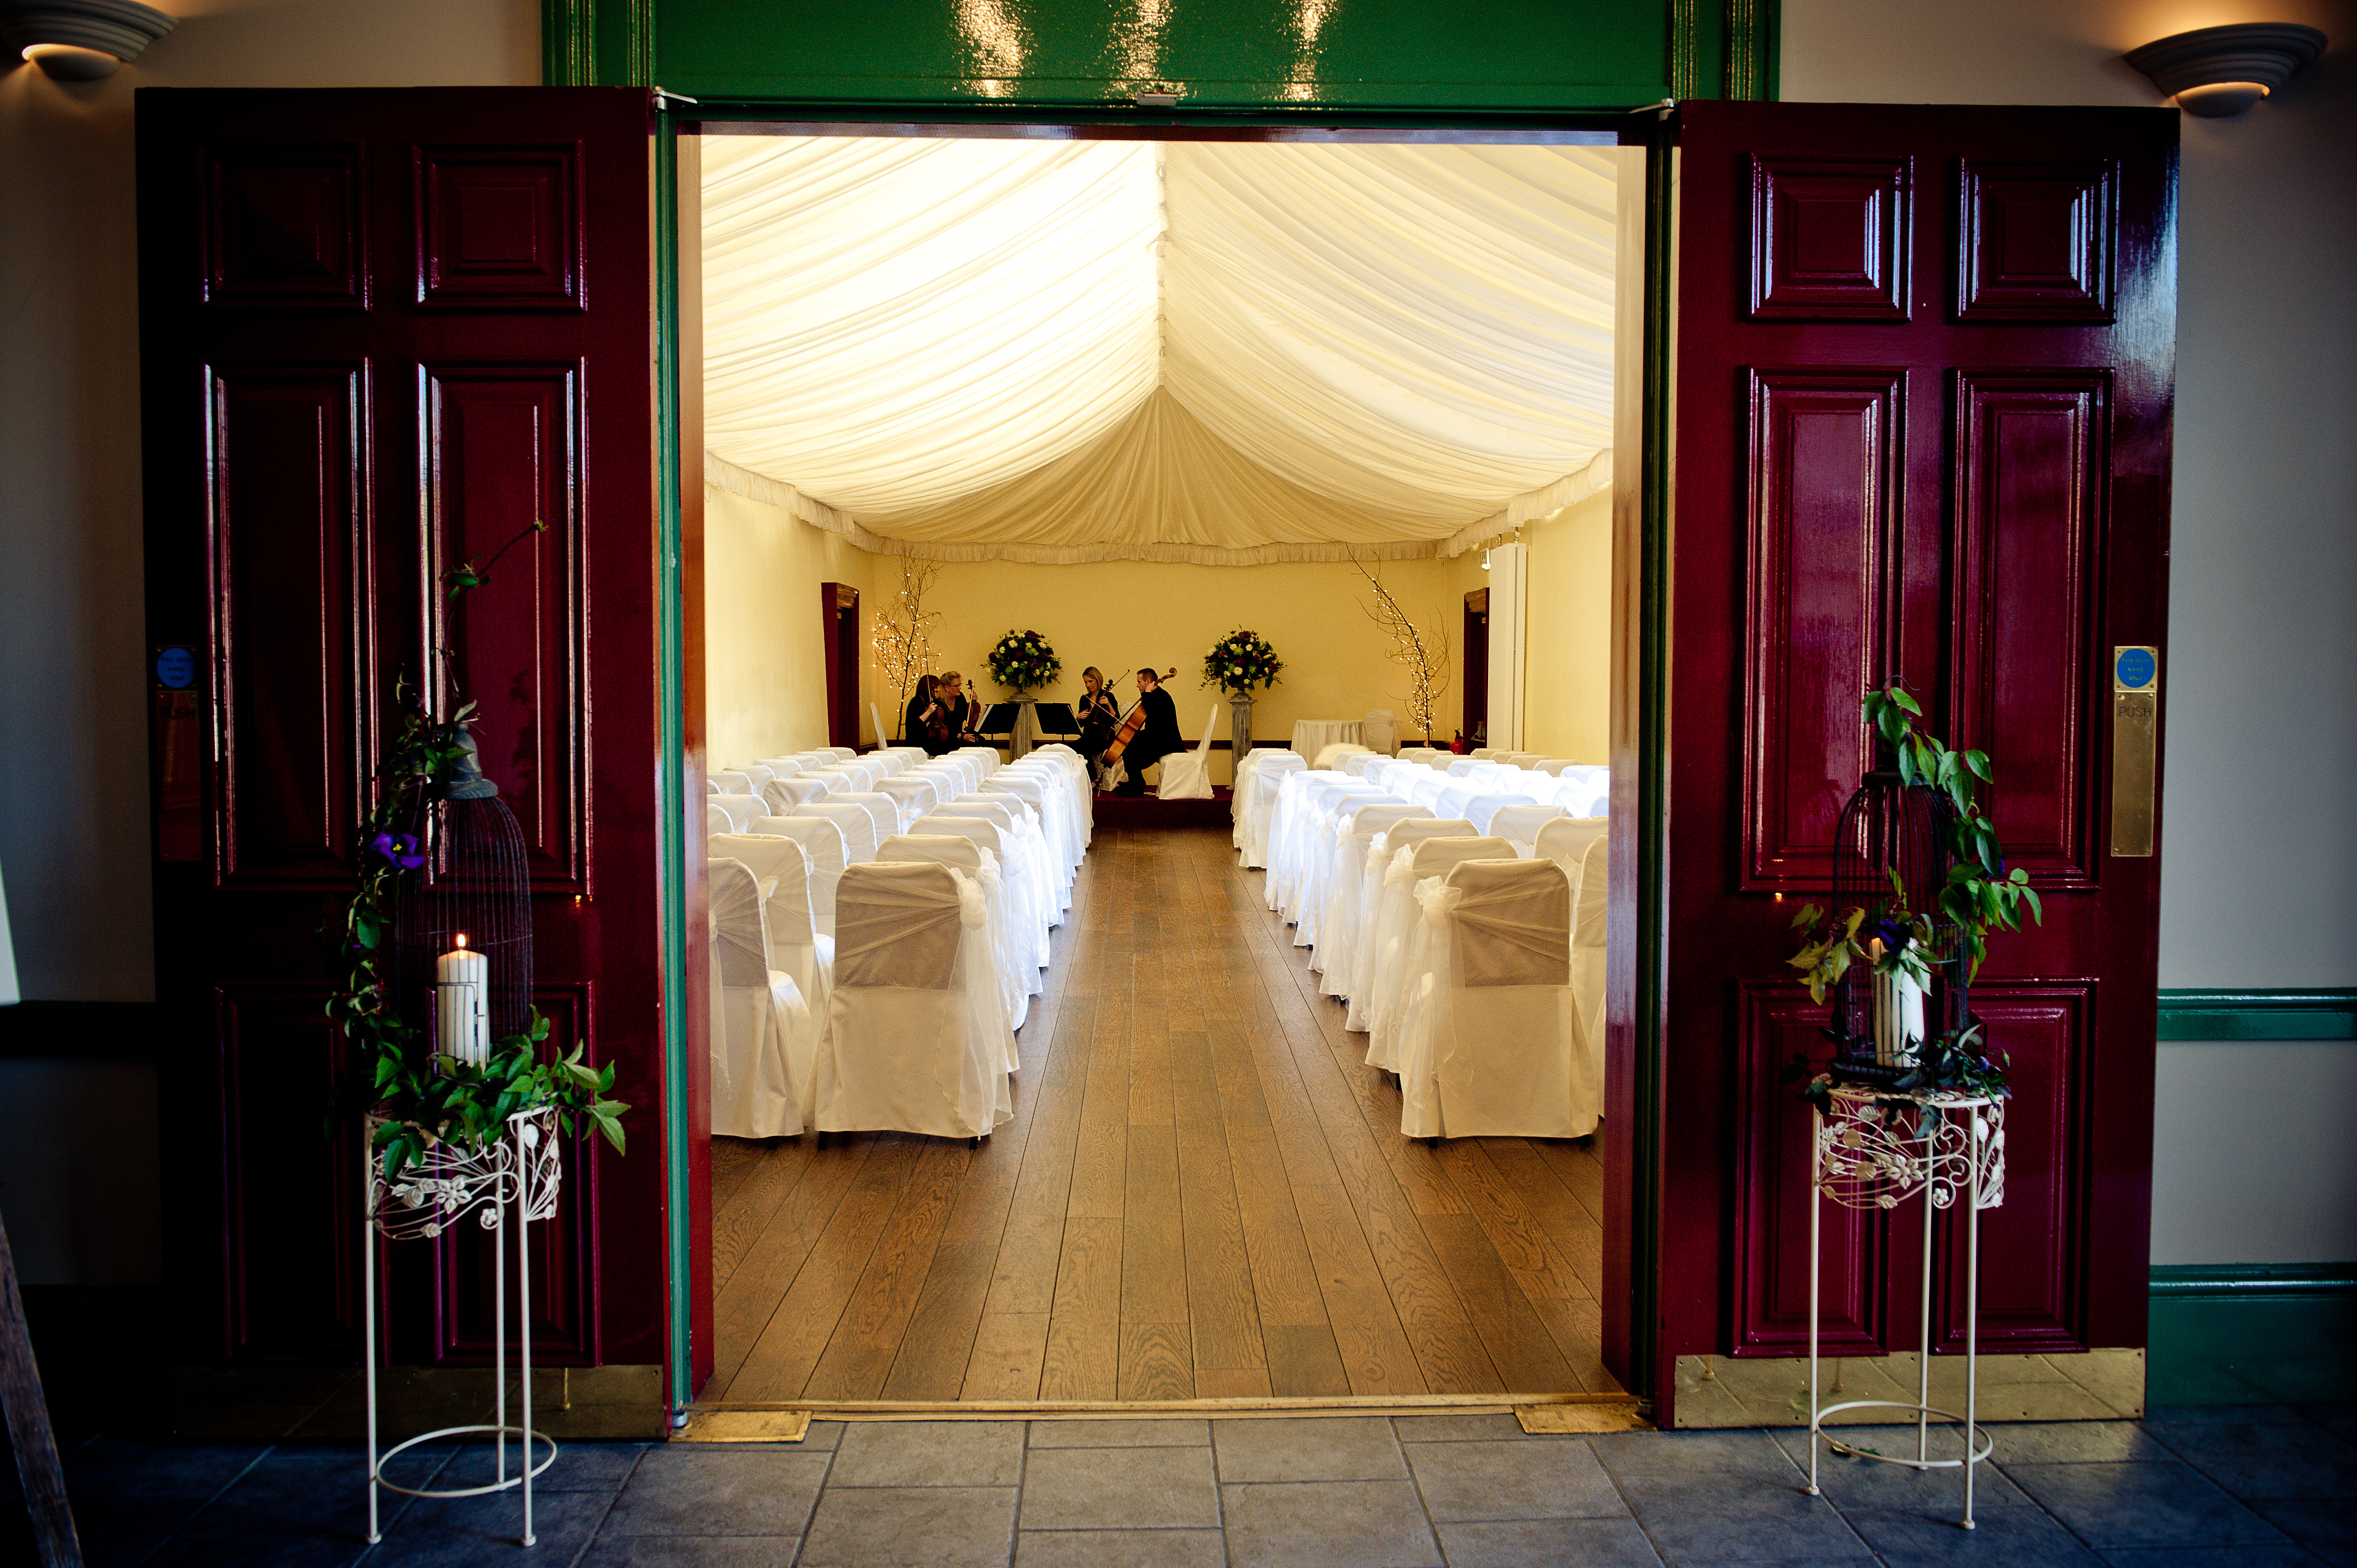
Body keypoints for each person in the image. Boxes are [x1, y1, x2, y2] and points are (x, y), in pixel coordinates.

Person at [1111, 664, 1182, 796]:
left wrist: (1148, 693)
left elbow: (1154, 714)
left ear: (1149, 682)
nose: (1137, 685)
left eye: (1139, 682)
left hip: (1166, 743)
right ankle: (1136, 783)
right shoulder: (1153, 696)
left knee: (1135, 759)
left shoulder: (1160, 696)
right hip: (1155, 738)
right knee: (1126, 746)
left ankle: (1136, 786)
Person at [1075, 666, 1120, 769]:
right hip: (1088, 736)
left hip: (1103, 737)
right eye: (1086, 682)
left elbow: (1116, 719)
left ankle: (1093, 778)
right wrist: (1078, 718)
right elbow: (1081, 724)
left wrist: (1109, 705)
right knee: (1073, 748)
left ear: (1098, 680)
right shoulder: (1084, 699)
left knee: (1082, 745)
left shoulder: (1109, 696)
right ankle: (1093, 778)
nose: (1088, 685)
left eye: (1091, 681)